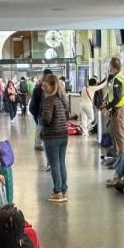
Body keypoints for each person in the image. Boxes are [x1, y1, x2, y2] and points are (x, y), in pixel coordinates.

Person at [40, 73, 70, 203]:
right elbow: (67, 115)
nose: (43, 87)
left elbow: (46, 118)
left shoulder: (49, 100)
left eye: (45, 85)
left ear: (51, 86)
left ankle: (57, 192)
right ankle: (63, 188)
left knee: (54, 164)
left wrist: (41, 120)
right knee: (61, 162)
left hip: (52, 136)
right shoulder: (61, 98)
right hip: (63, 134)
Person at [104, 57, 124, 153]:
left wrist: (107, 107)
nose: (109, 68)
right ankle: (119, 157)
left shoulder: (117, 79)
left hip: (118, 110)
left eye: (110, 66)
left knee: (120, 135)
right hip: (116, 109)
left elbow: (117, 97)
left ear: (113, 66)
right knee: (116, 134)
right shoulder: (117, 77)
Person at [29, 69, 51, 151]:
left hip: (41, 111)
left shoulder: (41, 86)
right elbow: (40, 101)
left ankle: (40, 143)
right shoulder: (40, 87)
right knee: (40, 127)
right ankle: (38, 144)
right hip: (40, 111)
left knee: (40, 127)